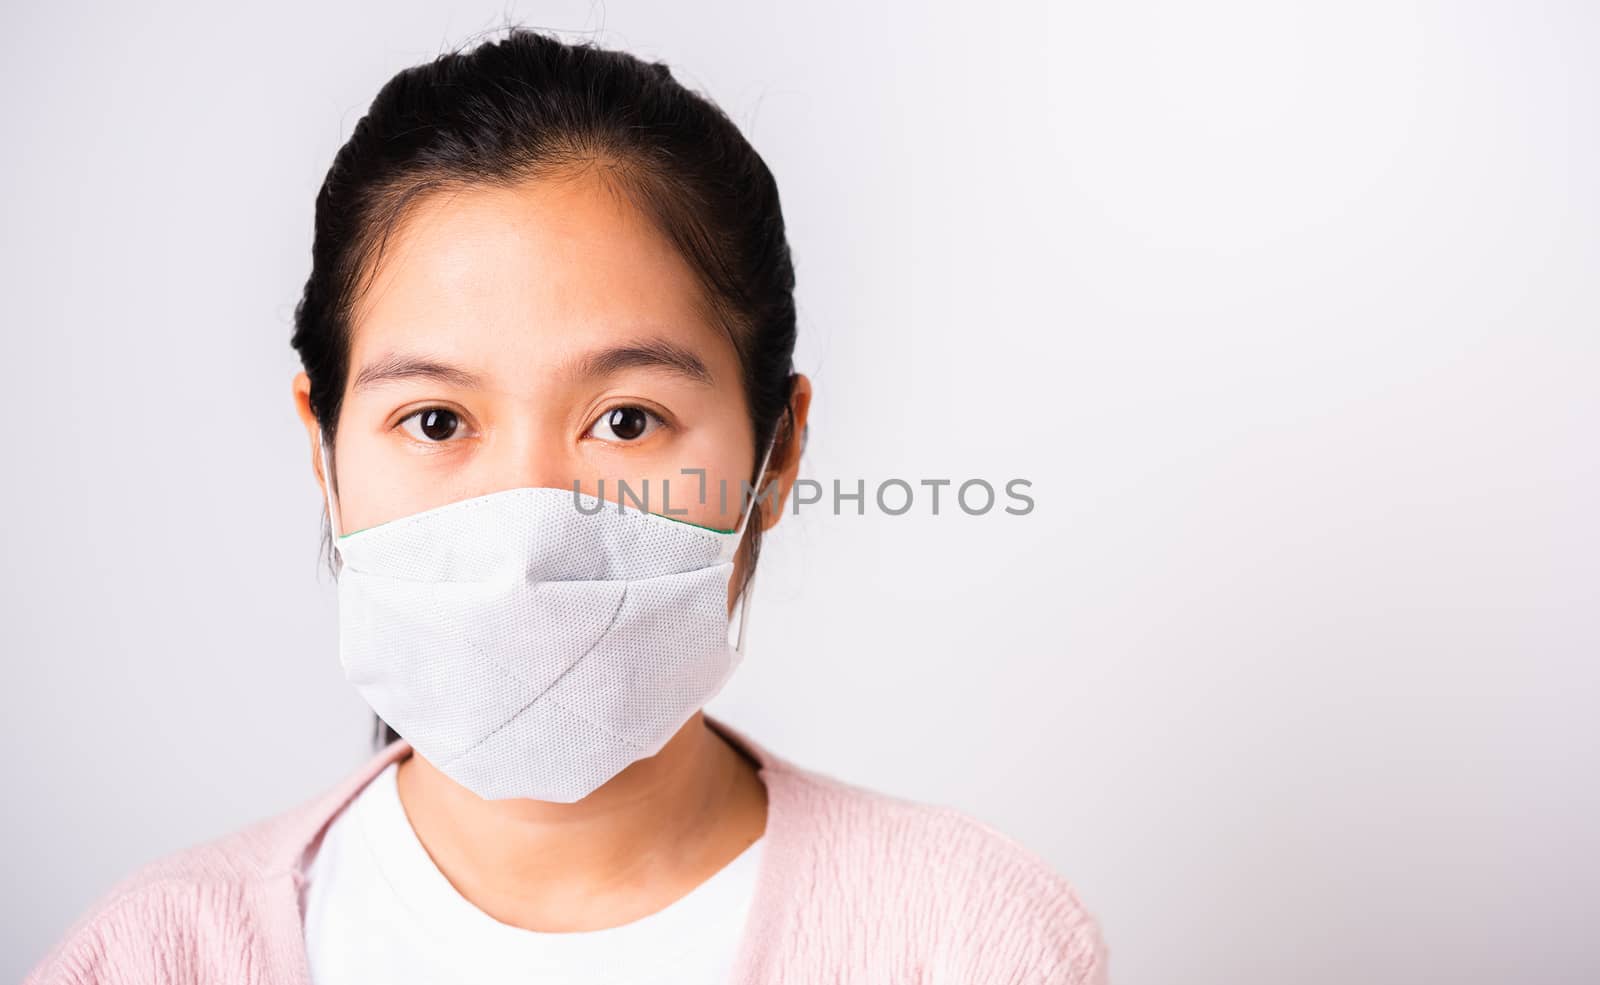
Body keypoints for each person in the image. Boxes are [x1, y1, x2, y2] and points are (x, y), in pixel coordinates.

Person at [24, 28, 1107, 985]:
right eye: (438, 421)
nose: (528, 528)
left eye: (627, 420)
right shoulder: (156, 956)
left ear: (776, 457)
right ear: (325, 448)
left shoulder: (969, 941)